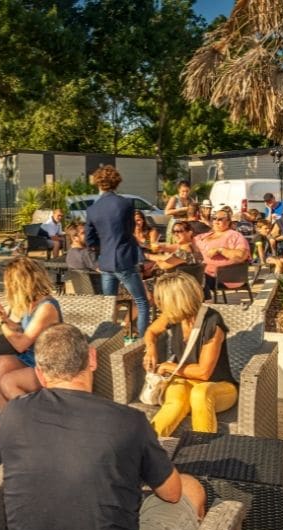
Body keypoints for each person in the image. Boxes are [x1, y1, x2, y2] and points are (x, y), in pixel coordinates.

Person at [0, 323, 206, 530]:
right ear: (92, 359)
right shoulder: (129, 421)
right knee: (190, 488)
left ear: (40, 374)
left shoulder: (13, 413)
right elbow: (172, 493)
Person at [143, 272, 238, 437]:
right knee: (176, 402)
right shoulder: (173, 316)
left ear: (176, 301)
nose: (157, 303)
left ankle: (202, 447)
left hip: (219, 386)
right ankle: (146, 445)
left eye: (161, 300)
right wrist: (151, 349)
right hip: (184, 379)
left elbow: (203, 372)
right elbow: (151, 331)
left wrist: (167, 366)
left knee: (200, 393)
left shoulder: (212, 323)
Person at [0, 256, 62, 412]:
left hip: (48, 365)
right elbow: (24, 330)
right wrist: (5, 318)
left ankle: (31, 420)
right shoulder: (33, 302)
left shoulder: (47, 307)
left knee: (8, 382)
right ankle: (5, 420)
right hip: (31, 359)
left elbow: (20, 344)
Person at [86, 165, 150, 337]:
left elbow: (90, 239)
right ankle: (143, 342)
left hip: (105, 261)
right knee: (142, 302)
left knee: (109, 306)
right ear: (116, 182)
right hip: (124, 259)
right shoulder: (125, 204)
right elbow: (130, 229)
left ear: (98, 183)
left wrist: (101, 251)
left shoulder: (92, 209)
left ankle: (108, 341)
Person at [194, 209, 250, 301]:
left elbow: (241, 256)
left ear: (228, 221)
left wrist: (220, 250)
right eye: (214, 218)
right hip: (206, 273)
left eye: (220, 219)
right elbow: (189, 245)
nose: (216, 221)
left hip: (225, 277)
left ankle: (201, 303)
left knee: (193, 276)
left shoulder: (235, 236)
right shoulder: (205, 236)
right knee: (182, 273)